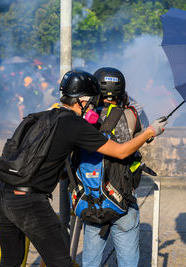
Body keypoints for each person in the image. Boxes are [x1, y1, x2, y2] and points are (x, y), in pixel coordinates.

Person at [0, 70, 167, 267]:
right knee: (60, 262)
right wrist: (150, 131)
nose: (93, 107)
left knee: (11, 260)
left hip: (1, 195)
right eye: (92, 102)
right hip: (29, 202)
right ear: (81, 102)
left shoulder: (41, 117)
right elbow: (120, 152)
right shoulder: (74, 124)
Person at [81, 67, 142, 267]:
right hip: (123, 200)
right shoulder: (132, 114)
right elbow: (141, 133)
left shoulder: (83, 118)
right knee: (128, 261)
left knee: (90, 261)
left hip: (93, 200)